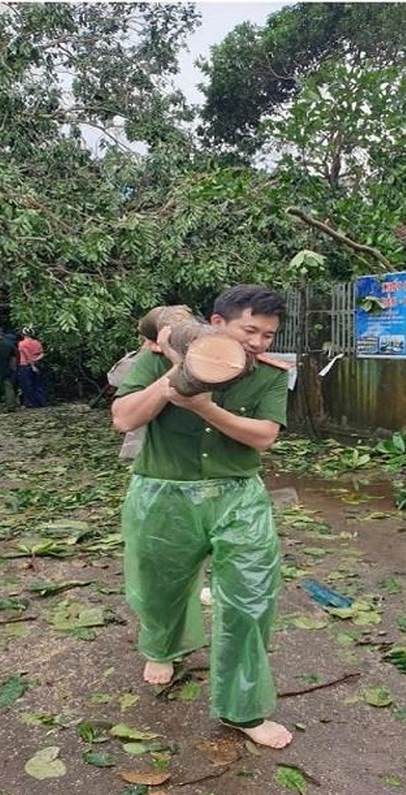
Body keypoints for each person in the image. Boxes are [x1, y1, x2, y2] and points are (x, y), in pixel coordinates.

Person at [110, 284, 293, 750]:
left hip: (238, 498)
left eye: (268, 336)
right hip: (162, 494)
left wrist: (205, 408)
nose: (258, 343)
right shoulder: (157, 358)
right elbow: (124, 418)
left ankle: (244, 708)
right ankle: (163, 647)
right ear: (216, 324)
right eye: (249, 330)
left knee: (251, 600)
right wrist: (176, 374)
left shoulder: (269, 374)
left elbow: (264, 436)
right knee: (160, 585)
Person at [15, 330, 46, 408]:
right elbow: (42, 353)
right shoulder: (37, 342)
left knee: (26, 385)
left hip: (25, 365)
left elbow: (27, 355)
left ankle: (29, 402)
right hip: (37, 364)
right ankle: (40, 401)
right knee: (37, 383)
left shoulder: (22, 343)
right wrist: (36, 360)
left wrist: (32, 365)